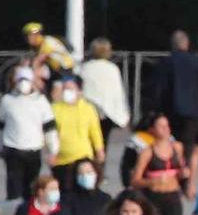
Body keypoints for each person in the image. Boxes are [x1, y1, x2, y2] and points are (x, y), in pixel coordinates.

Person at [0, 66, 58, 200]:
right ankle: (13, 211)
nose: (24, 83)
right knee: (14, 188)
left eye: (27, 80)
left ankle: (29, 210)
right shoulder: (7, 100)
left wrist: (53, 150)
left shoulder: (41, 101)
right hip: (13, 150)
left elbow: (50, 128)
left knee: (31, 188)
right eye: (20, 80)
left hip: (33, 150)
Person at [153, 31, 198, 158]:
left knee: (173, 140)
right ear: (187, 44)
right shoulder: (196, 60)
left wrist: (157, 108)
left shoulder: (166, 61)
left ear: (172, 44)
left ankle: (175, 165)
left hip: (171, 108)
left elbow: (160, 87)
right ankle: (187, 166)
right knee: (189, 143)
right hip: (194, 109)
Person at [78, 38, 130, 174]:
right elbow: (117, 93)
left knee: (88, 142)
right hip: (107, 113)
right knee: (104, 142)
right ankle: (100, 171)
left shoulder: (85, 68)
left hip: (88, 111)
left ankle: (87, 170)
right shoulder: (112, 69)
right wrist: (123, 114)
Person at [51, 75, 105, 192]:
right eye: (65, 89)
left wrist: (99, 150)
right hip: (61, 160)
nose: (67, 92)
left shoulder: (88, 109)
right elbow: (49, 134)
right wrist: (50, 153)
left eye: (70, 89)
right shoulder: (54, 109)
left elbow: (95, 131)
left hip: (83, 158)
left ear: (79, 91)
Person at [22, 22, 74, 88]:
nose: (27, 39)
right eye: (26, 36)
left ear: (36, 35)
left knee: (33, 75)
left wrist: (28, 71)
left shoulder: (46, 43)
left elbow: (38, 60)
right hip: (55, 69)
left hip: (64, 69)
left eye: (29, 35)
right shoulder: (38, 45)